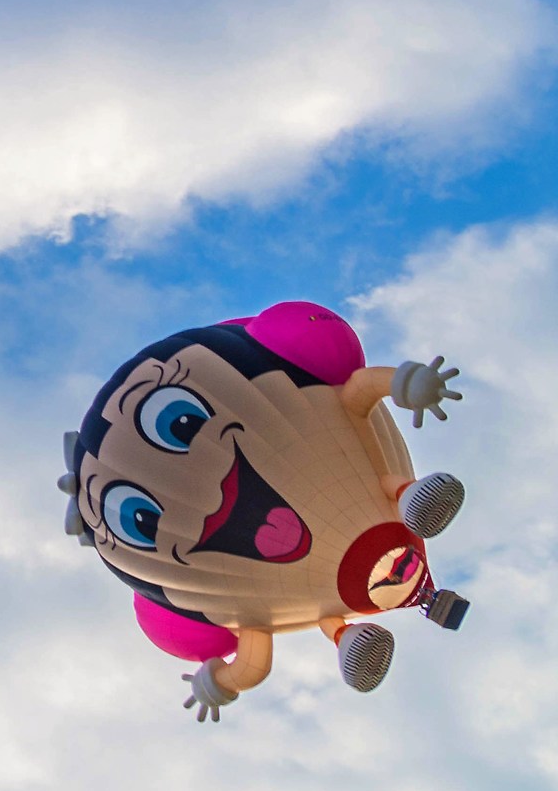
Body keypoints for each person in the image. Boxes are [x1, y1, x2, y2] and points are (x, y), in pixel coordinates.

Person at [62, 302, 468, 720]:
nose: (213, 496)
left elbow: (356, 391)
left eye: (180, 422)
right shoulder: (219, 597)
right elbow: (252, 662)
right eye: (140, 519)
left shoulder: (285, 380)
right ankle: (351, 635)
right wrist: (217, 683)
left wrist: (408, 383)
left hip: (369, 516)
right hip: (316, 593)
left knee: (361, 483)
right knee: (323, 605)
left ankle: (406, 503)